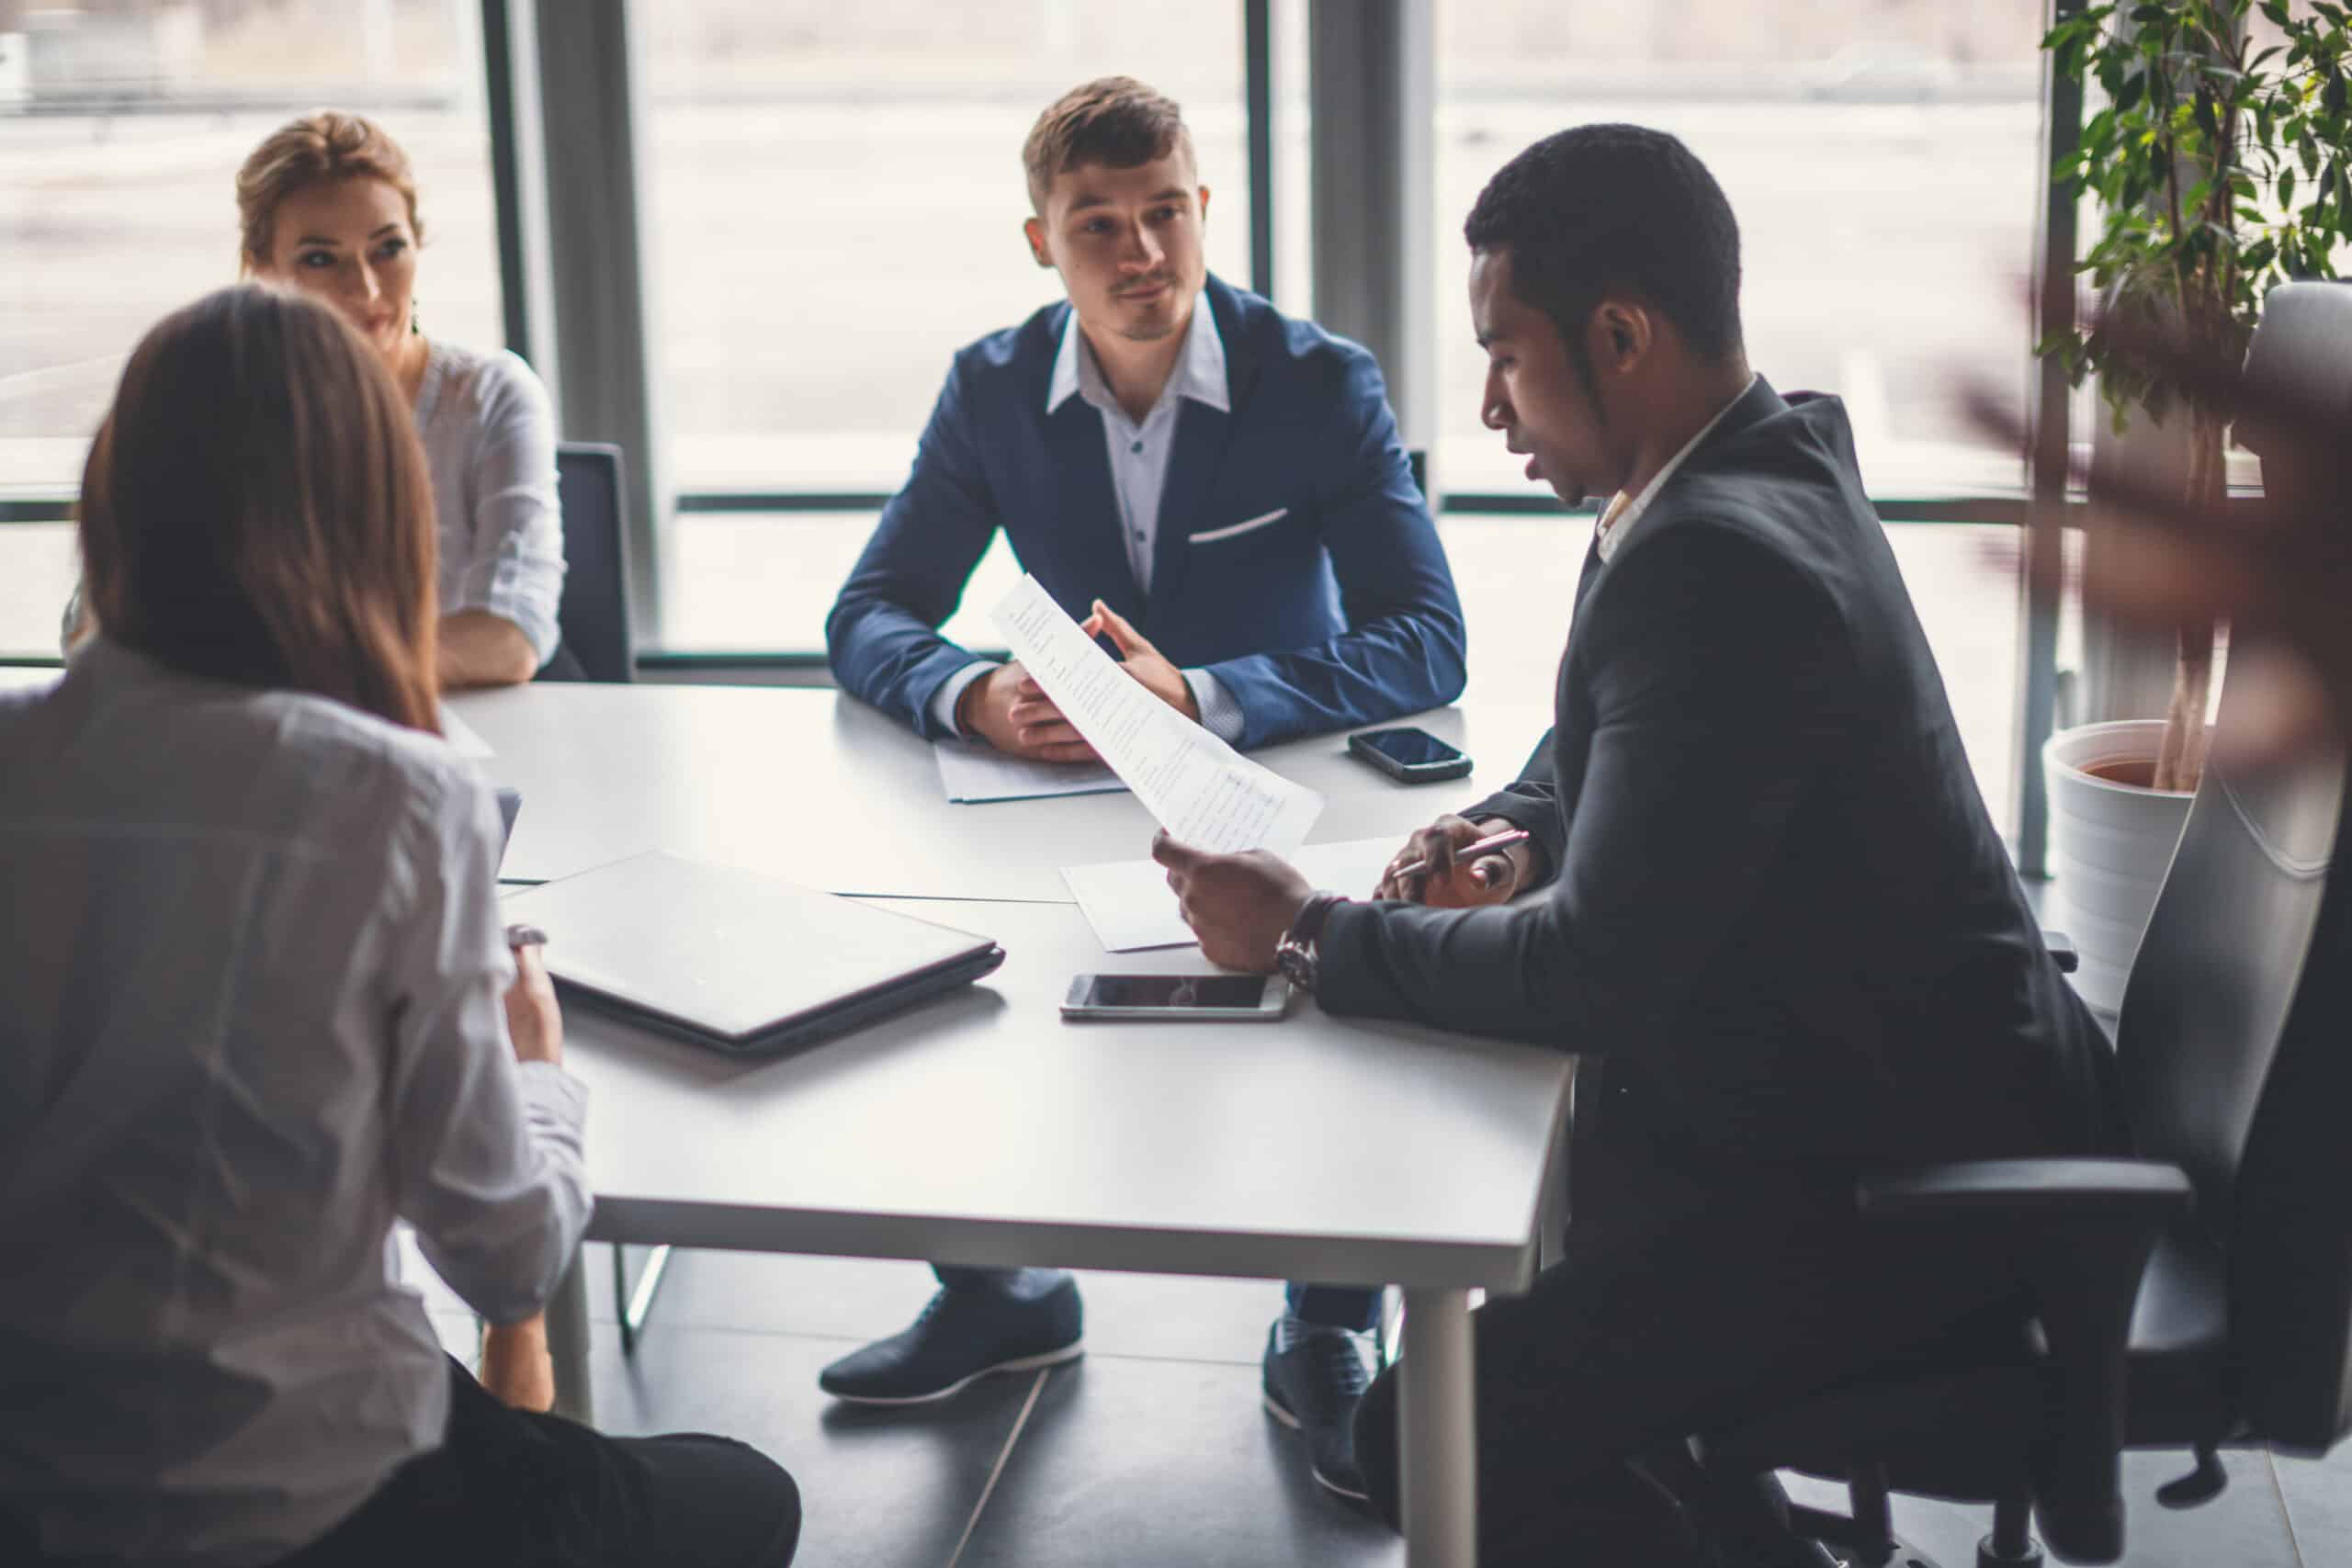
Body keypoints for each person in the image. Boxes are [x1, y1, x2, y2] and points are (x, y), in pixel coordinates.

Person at [1152, 125, 2120, 1564]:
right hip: (1901, 1091)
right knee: (1536, 1333)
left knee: (1439, 1444)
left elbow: (1594, 970)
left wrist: (1303, 930)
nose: (1486, 405)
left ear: (1619, 334)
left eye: (1506, 355)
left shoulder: (1712, 557)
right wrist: (1518, 820)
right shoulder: (1761, 456)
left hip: (1906, 1189)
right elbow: (1620, 734)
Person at [0, 286, 798, 1567]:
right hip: (319, 1494)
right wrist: (537, 1067)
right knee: (752, 1496)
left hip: (40, 1487)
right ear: (368, 512)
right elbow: (508, 1256)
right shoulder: (395, 798)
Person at [817, 76, 1467, 1502]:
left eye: (1165, 212)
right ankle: (1004, 1293)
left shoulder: (1319, 381)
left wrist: (1210, 694)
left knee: (1329, 1022)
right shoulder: (991, 385)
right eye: (1098, 224)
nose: (1142, 254)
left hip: (1269, 790)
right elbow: (868, 610)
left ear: (1204, 207)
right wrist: (969, 691)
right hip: (1051, 808)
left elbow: (1431, 637)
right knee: (955, 982)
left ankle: (1328, 1313)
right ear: (1040, 242)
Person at [63, 110, 572, 686]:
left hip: (446, 729)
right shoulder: (208, 404)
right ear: (263, 273)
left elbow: (511, 639)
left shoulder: (489, 396)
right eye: (320, 258)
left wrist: (286, 671)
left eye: (388, 248)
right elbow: (95, 629)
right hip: (254, 739)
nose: (366, 288)